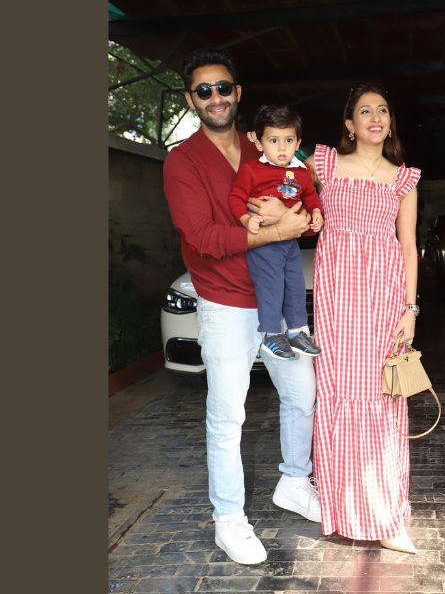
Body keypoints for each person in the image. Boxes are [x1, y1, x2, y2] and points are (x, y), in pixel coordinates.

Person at [162, 49, 321, 566]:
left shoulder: (268, 146)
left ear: (238, 92)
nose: (215, 97)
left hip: (278, 306)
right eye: (203, 90)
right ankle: (228, 518)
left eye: (223, 87)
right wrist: (278, 228)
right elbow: (203, 237)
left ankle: (294, 482)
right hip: (226, 303)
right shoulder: (183, 161)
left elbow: (306, 198)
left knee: (303, 395)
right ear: (191, 99)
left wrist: (301, 215)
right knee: (228, 414)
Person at [312, 84, 421, 553]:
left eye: (383, 110)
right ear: (349, 124)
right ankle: (342, 510)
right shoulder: (324, 165)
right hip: (337, 298)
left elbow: (409, 247)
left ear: (390, 122)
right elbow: (282, 183)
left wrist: (410, 310)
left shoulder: (404, 179)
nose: (375, 117)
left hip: (384, 298)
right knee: (339, 393)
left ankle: (387, 518)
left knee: (381, 397)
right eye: (365, 111)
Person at [228, 104, 324, 361]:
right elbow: (236, 197)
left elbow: (310, 196)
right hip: (265, 242)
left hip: (290, 243)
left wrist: (316, 212)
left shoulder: (302, 172)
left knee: (295, 286)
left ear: (298, 142)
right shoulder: (252, 170)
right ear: (260, 143)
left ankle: (296, 332)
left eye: (288, 140)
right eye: (273, 141)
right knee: (272, 287)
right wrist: (246, 218)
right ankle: (271, 335)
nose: (282, 148)